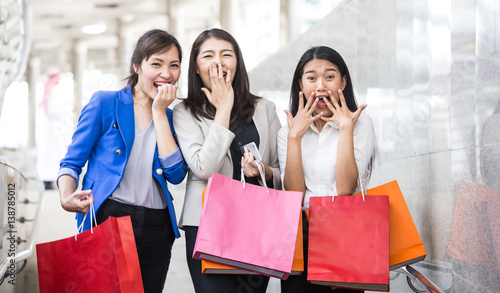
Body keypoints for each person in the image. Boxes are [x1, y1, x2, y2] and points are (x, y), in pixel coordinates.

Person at [57, 29, 188, 293]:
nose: (166, 73)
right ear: (137, 65)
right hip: (110, 215)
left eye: (174, 65)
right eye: (156, 63)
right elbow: (71, 162)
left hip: (157, 224)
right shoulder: (105, 103)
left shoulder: (174, 117)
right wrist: (65, 196)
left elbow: (175, 174)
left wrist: (160, 113)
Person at [173, 28, 282, 293]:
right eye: (208, 55)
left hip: (256, 223)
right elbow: (203, 168)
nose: (218, 62)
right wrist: (223, 108)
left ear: (238, 63)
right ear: (197, 68)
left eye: (226, 54)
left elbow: (283, 171)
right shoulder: (185, 112)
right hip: (207, 223)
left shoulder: (264, 108)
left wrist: (264, 171)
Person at [278, 46, 375, 293]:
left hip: (345, 231)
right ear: (300, 84)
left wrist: (345, 129)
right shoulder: (287, 132)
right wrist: (294, 138)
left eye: (329, 77)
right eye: (311, 78)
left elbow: (345, 189)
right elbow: (294, 193)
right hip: (301, 233)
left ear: (343, 81)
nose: (320, 86)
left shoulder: (359, 124)